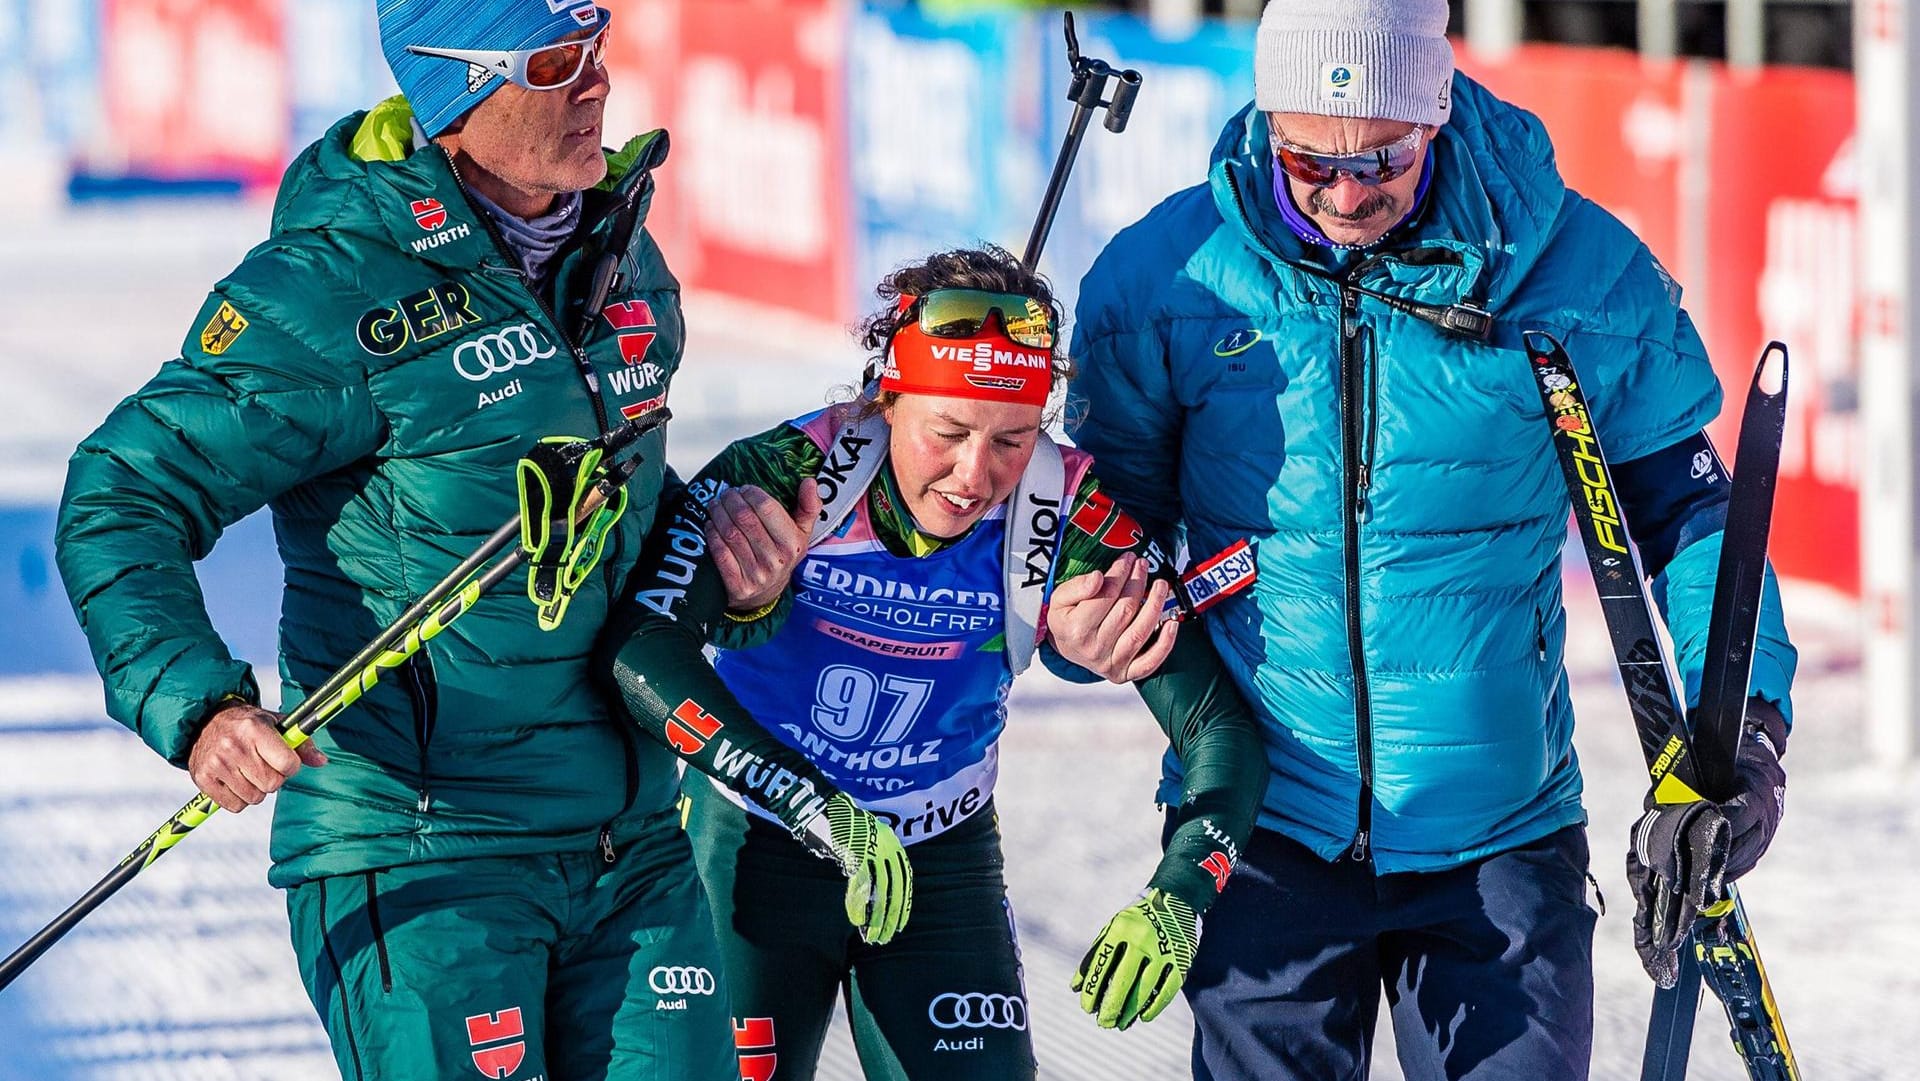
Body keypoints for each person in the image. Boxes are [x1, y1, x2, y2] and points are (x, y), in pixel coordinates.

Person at [53, 4, 908, 1078]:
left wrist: (740, 578)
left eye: (597, 51)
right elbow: (121, 489)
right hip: (424, 854)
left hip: (633, 838)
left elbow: (619, 516)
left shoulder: (623, 258)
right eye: (555, 62)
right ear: (453, 88)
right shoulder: (331, 287)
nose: (597, 84)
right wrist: (201, 705)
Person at [1054, 0, 1800, 1078]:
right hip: (1263, 825)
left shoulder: (1573, 272)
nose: (1348, 192)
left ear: (1437, 115)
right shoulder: (1166, 280)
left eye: (1384, 159)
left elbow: (1692, 518)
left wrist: (1746, 737)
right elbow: (1104, 521)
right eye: (1309, 161)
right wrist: (1087, 621)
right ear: (1267, 122)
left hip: (1500, 835)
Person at [594, 245, 1268, 1080]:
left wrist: (1180, 895)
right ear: (889, 395)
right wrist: (813, 803)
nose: (973, 475)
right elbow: (641, 651)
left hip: (936, 856)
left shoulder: (1067, 509)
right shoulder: (791, 473)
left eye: (1013, 439)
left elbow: (1217, 724)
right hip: (755, 839)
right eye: (946, 432)